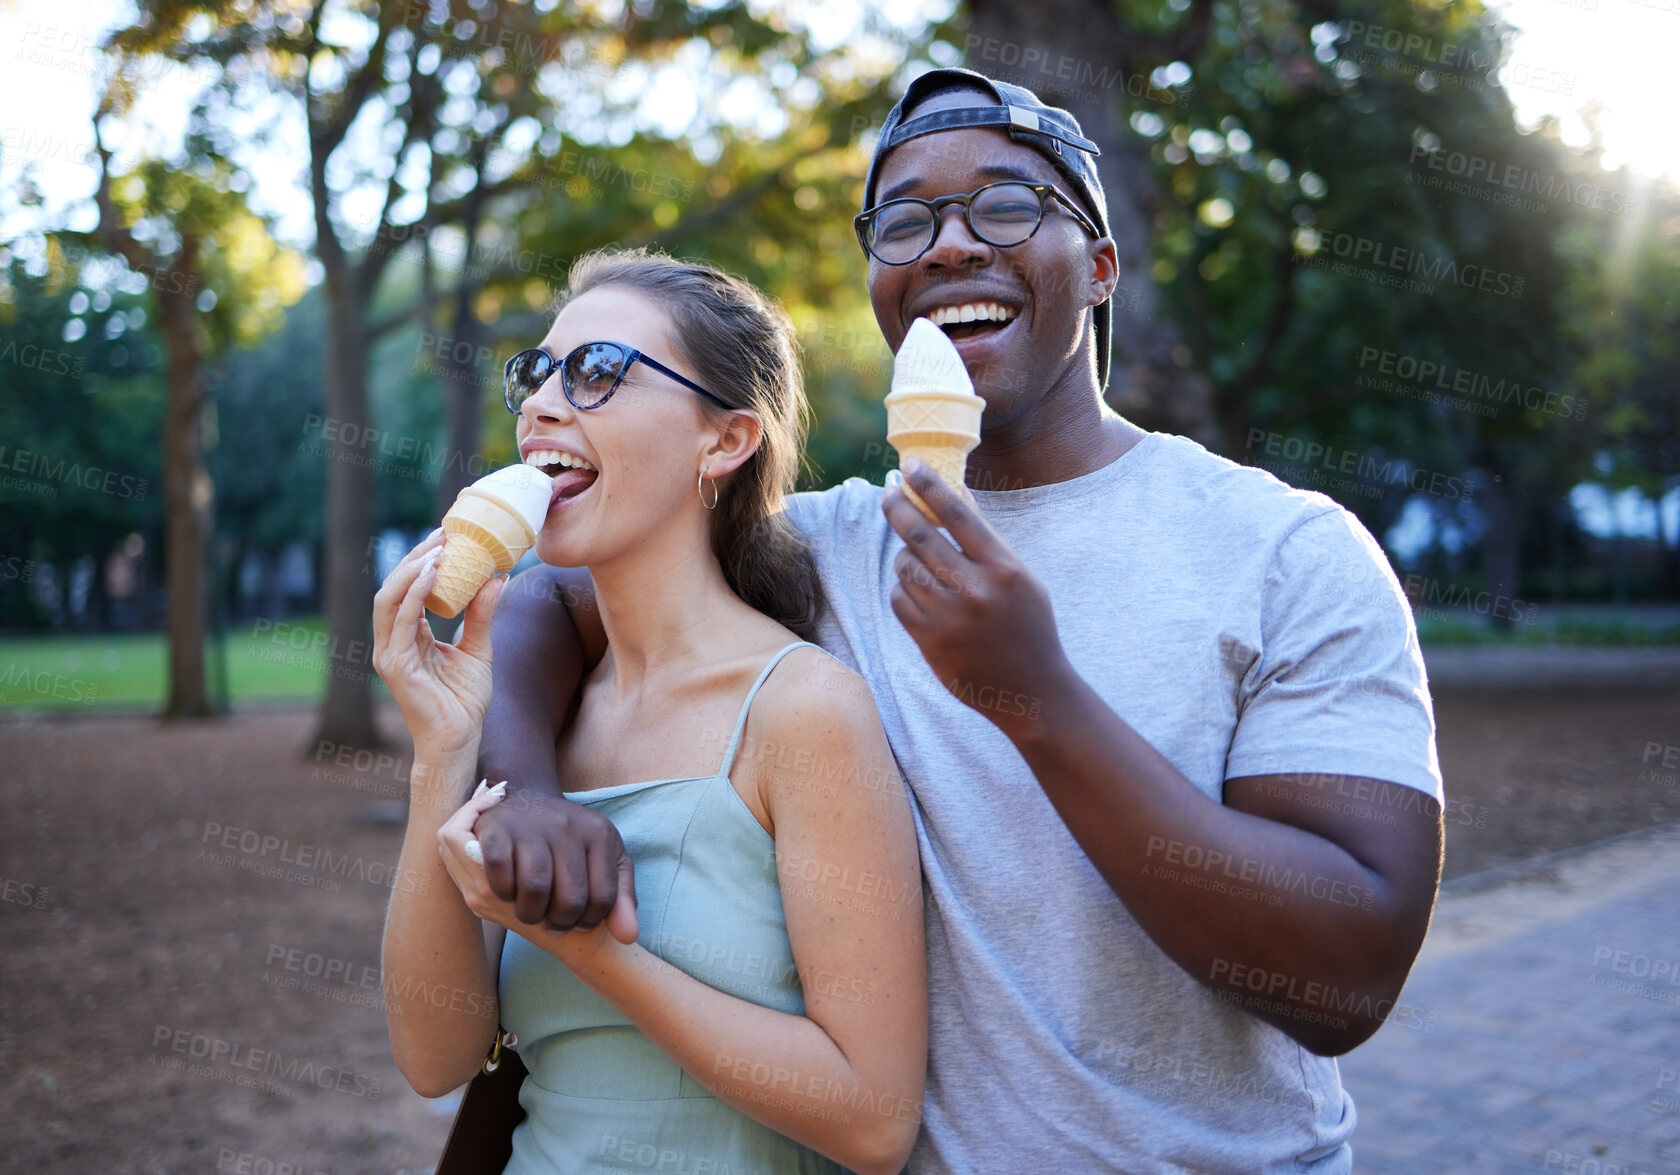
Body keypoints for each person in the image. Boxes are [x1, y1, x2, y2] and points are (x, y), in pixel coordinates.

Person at [474, 69, 1445, 1173]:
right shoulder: (829, 548)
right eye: (905, 221)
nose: (948, 245)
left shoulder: (1285, 551)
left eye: (1007, 205)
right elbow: (558, 593)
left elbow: (1348, 974)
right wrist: (526, 786)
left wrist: (1037, 698)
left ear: (1101, 267)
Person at [374, 248, 926, 1175]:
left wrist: (591, 952)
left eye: (598, 372)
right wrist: (443, 746)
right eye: (536, 372)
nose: (542, 403)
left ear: (725, 441)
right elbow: (434, 1058)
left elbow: (872, 1122)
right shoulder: (542, 720)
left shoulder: (802, 711)